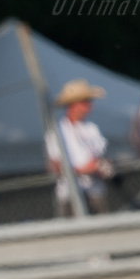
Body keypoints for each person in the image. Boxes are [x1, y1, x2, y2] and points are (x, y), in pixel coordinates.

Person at [45, 79, 113, 216]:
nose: (89, 106)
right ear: (72, 105)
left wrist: (102, 166)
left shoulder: (92, 129)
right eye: (85, 102)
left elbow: (100, 156)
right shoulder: (57, 132)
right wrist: (82, 170)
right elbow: (55, 166)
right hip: (71, 193)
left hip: (95, 191)